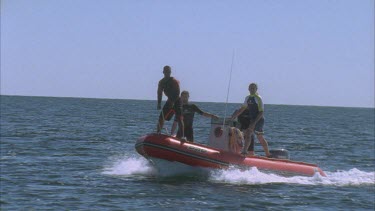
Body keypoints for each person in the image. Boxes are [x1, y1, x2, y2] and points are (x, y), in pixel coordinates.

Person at [231, 83, 271, 157]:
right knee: (249, 133)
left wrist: (254, 123)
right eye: (250, 88)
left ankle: (267, 154)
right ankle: (245, 151)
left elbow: (261, 112)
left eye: (253, 88)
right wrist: (233, 117)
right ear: (248, 89)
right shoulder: (247, 98)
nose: (252, 89)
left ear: (256, 89)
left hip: (259, 119)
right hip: (252, 120)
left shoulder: (258, 98)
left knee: (259, 137)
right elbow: (242, 109)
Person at [156, 65, 184, 137]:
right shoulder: (161, 82)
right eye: (166, 72)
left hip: (177, 100)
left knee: (179, 118)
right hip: (169, 100)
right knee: (161, 117)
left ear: (170, 72)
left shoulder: (174, 81)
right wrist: (159, 103)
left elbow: (177, 92)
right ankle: (158, 132)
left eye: (168, 72)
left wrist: (173, 102)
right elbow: (159, 93)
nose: (167, 73)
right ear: (163, 72)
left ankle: (182, 136)